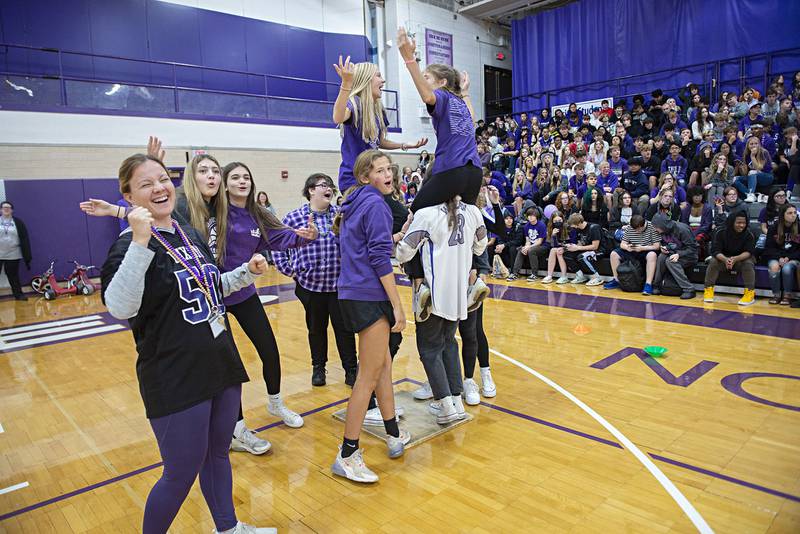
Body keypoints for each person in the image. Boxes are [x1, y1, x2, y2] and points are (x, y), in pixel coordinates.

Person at [101, 154, 275, 533]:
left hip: (219, 363)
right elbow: (119, 306)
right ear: (129, 197)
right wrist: (140, 242)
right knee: (179, 474)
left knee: (218, 456)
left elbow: (209, 287)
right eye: (145, 184)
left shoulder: (186, 232)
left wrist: (245, 273)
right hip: (175, 377)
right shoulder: (127, 245)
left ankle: (227, 528)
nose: (158, 188)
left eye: (162, 179)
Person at [331, 150, 409, 483]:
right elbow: (379, 259)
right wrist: (397, 304)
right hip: (369, 295)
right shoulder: (376, 204)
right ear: (365, 176)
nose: (388, 173)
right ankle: (347, 454)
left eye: (389, 168)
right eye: (379, 170)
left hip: (353, 292)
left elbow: (366, 248)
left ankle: (393, 433)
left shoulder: (357, 203)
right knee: (367, 377)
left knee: (383, 369)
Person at [396, 196, 487, 423]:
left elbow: (403, 252)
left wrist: (406, 228)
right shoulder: (473, 211)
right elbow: (481, 245)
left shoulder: (426, 214)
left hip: (433, 292)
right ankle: (456, 401)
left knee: (429, 348)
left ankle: (445, 405)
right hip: (459, 292)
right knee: (449, 343)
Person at [273, 173, 358, 387]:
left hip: (339, 286)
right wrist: (290, 269)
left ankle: (351, 370)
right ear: (311, 190)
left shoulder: (341, 215)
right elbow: (277, 246)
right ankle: (318, 369)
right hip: (310, 287)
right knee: (316, 330)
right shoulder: (294, 218)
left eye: (330, 185)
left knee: (344, 330)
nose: (328, 188)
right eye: (323, 185)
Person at [331, 56, 427, 191]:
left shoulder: (378, 110)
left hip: (373, 178)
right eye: (378, 76)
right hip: (354, 180)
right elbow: (338, 117)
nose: (383, 80)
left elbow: (379, 142)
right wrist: (346, 84)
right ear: (366, 80)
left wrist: (404, 145)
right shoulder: (354, 103)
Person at [703, 211, 756, 306]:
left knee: (748, 263)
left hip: (741, 259)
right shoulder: (720, 232)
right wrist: (726, 260)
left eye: (744, 223)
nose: (742, 225)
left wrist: (735, 259)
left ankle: (750, 293)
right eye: (739, 223)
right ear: (732, 222)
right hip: (724, 259)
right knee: (713, 261)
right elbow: (715, 251)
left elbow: (749, 252)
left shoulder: (749, 234)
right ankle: (708, 290)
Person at [604, 215, 661, 294]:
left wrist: (642, 248)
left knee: (652, 255)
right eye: (634, 230)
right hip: (632, 250)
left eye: (637, 230)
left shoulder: (652, 227)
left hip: (646, 250)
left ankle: (648, 284)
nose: (636, 231)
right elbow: (622, 244)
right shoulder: (630, 227)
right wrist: (627, 247)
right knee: (614, 254)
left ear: (642, 226)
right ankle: (616, 280)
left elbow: (657, 246)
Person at [651, 213, 699, 299]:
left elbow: (693, 248)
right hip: (674, 252)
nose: (655, 229)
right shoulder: (663, 230)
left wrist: (678, 254)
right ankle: (656, 285)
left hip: (690, 256)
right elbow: (668, 243)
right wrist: (664, 248)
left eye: (656, 227)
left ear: (662, 225)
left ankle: (689, 289)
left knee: (670, 261)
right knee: (662, 257)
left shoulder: (682, 229)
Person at [763, 204, 800, 305]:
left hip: (793, 257)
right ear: (782, 215)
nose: (793, 215)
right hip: (776, 256)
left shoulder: (799, 227)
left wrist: (789, 257)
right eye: (789, 213)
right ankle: (776, 294)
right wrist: (779, 258)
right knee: (774, 267)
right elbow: (769, 248)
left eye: (795, 213)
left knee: (787, 268)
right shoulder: (773, 227)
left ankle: (787, 295)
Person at [0, 201, 31, 301]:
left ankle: (18, 295)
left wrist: (27, 256)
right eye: (4, 207)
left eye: (8, 207)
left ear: (12, 210)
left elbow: (24, 239)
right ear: (0, 209)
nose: (6, 209)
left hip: (13, 254)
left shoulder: (18, 222)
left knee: (13, 276)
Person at [507, 206, 547, 282]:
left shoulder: (541, 225)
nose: (530, 217)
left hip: (542, 246)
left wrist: (529, 247)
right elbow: (527, 240)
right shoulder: (526, 226)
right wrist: (526, 246)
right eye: (528, 215)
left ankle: (534, 274)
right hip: (532, 245)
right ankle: (515, 273)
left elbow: (539, 241)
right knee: (521, 250)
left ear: (536, 216)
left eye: (532, 215)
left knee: (531, 250)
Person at [564, 213, 605, 286]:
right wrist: (572, 246)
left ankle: (597, 277)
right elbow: (581, 243)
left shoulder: (594, 228)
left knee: (583, 256)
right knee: (567, 254)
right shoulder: (578, 229)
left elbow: (595, 246)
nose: (573, 227)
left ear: (578, 223)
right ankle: (580, 276)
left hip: (599, 250)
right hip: (586, 249)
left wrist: (578, 248)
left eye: (573, 225)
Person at [734, 136, 774, 202]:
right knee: (735, 179)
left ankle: (751, 194)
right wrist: (740, 167)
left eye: (756, 143)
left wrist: (752, 156)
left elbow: (758, 168)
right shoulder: (746, 154)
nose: (753, 145)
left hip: (767, 177)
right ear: (748, 145)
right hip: (753, 177)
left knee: (752, 172)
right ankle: (752, 195)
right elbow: (745, 173)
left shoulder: (764, 152)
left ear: (759, 144)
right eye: (751, 144)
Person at [681, 186, 713, 258]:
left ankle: (699, 257)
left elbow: (707, 225)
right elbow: (683, 223)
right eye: (695, 195)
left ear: (703, 196)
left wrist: (694, 234)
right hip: (688, 231)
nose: (697, 197)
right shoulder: (686, 208)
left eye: (699, 195)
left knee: (698, 238)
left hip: (703, 232)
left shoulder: (707, 208)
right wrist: (689, 233)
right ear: (691, 196)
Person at [541, 211, 570, 284]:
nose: (558, 222)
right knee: (553, 250)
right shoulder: (550, 228)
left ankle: (564, 276)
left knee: (558, 251)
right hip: (557, 247)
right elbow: (553, 245)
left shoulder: (567, 227)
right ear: (552, 221)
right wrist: (553, 235)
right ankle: (549, 276)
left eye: (560, 220)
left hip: (568, 246)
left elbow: (570, 242)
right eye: (555, 221)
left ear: (563, 219)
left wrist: (563, 247)